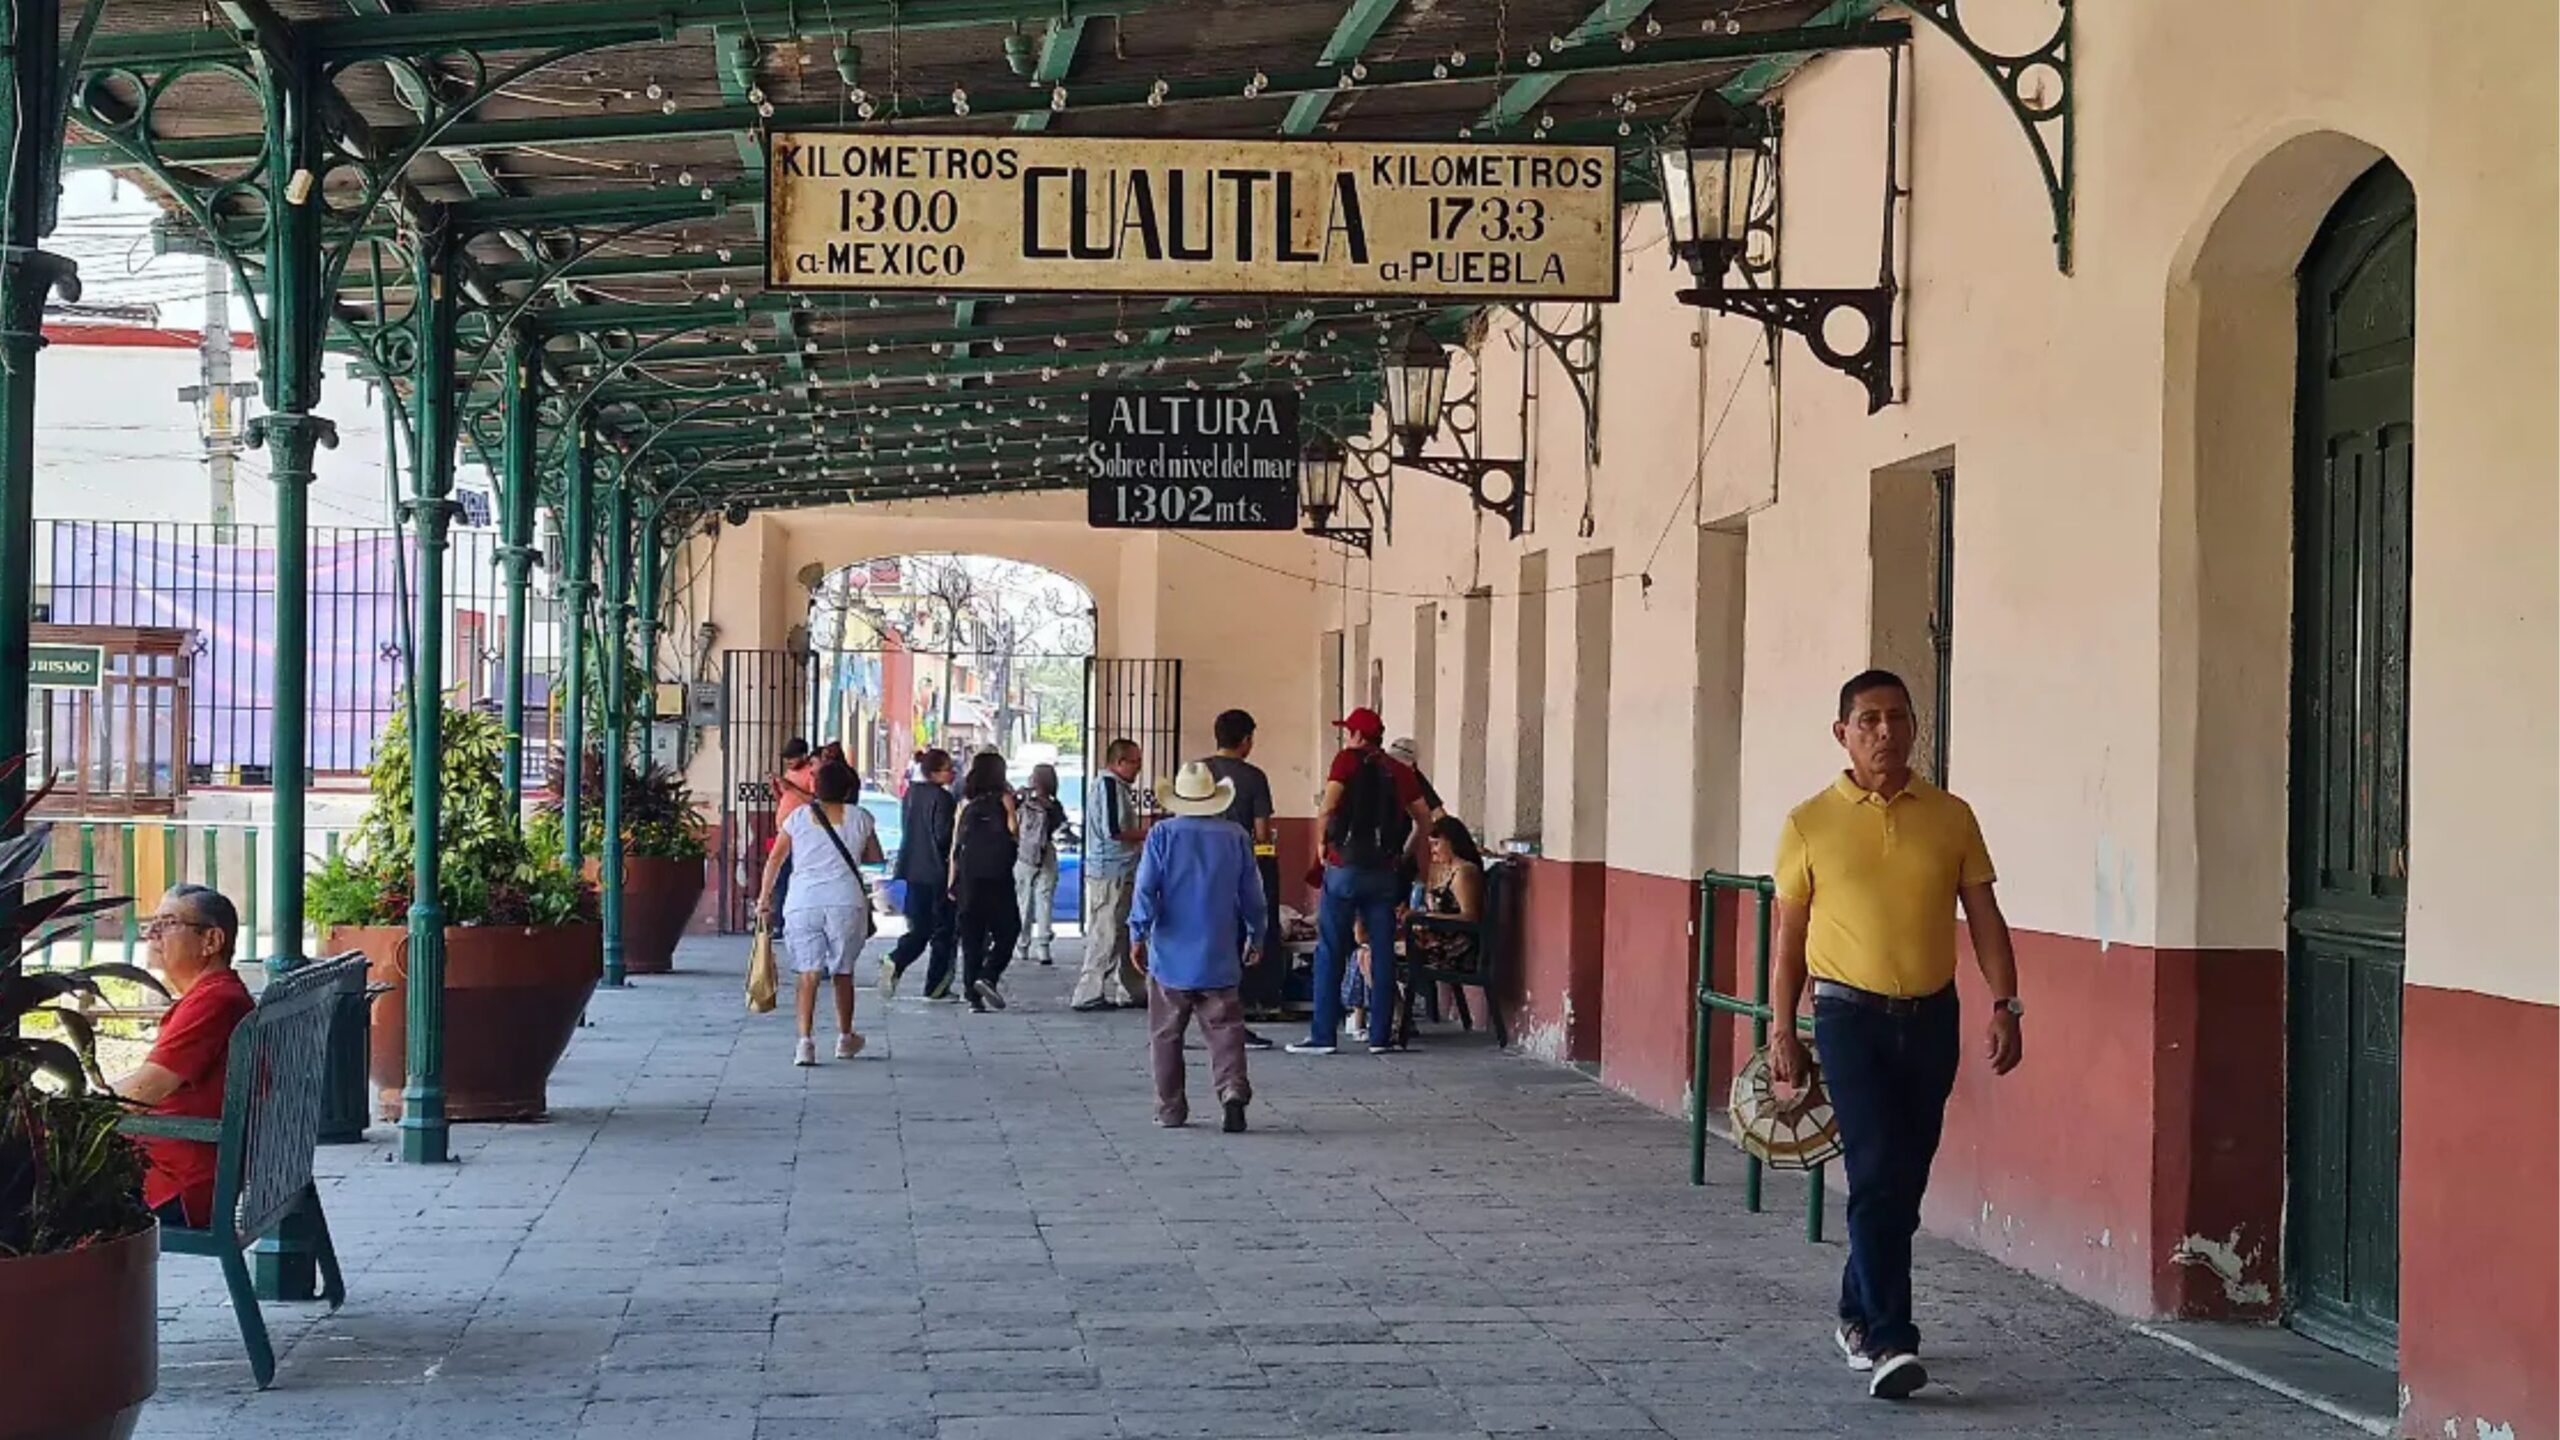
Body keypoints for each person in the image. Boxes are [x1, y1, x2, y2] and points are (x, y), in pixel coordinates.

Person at [1767, 669, 2024, 1401]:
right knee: (1877, 1171)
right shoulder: (1808, 822)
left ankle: (1855, 1308)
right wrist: (1784, 1027)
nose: (1886, 732)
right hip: (1848, 1017)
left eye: (1899, 718)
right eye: (1870, 719)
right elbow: (1790, 941)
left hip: (1931, 1018)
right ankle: (1890, 1340)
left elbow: (1985, 919)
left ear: (1915, 728)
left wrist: (2006, 1004)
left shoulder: (1951, 816)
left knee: (1902, 1182)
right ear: (1842, 732)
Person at [1129, 761, 1269, 1132]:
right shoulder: (1236, 835)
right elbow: (1252, 894)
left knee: (1165, 1034)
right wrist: (1258, 934)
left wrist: (1137, 933)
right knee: (1226, 1029)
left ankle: (1170, 1109)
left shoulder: (1161, 835)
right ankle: (1232, 1090)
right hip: (1219, 951)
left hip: (1170, 954)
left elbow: (1145, 889)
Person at [1290, 708, 1433, 1056]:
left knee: (1330, 951)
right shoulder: (1399, 770)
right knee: (1382, 953)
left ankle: (1323, 1035)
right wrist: (1403, 853)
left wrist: (1323, 846)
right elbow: (1424, 819)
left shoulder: (1346, 762)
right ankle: (1380, 1037)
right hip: (1384, 871)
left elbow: (1329, 806)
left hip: (1345, 868)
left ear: (1355, 734)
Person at [113, 885, 253, 1229]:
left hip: (177, 1186)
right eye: (152, 923)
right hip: (194, 1165)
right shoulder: (218, 995)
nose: (151, 934)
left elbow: (143, 1091)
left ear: (211, 941)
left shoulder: (214, 1002)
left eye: (168, 922)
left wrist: (61, 1113)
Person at [757, 758, 884, 1066]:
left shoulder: (798, 817)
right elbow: (875, 857)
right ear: (848, 789)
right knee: (842, 972)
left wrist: (764, 898)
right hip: (845, 902)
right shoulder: (861, 817)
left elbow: (775, 860)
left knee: (808, 973)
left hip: (804, 902)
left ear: (816, 786)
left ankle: (805, 1043)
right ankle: (844, 1037)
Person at [1200, 709, 1280, 1051]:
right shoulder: (1254, 777)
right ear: (1246, 740)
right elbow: (1261, 832)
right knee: (1239, 944)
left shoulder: (1198, 771)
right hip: (1237, 866)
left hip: (1198, 867)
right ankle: (1235, 1020)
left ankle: (1200, 1018)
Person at [1073, 737, 1148, 1012]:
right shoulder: (1107, 786)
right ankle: (1088, 991)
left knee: (1125, 931)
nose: (1139, 767)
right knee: (1106, 932)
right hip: (1110, 870)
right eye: (1135, 761)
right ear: (1119, 762)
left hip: (1122, 867)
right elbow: (1113, 830)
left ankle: (1131, 989)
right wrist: (1150, 833)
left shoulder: (1118, 787)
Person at [882, 748, 960, 1000]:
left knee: (920, 926)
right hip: (937, 871)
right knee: (944, 930)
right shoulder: (943, 798)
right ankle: (936, 985)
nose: (953, 772)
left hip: (912, 869)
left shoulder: (911, 794)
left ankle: (897, 959)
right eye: (948, 768)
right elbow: (942, 836)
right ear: (935, 773)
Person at [949, 750, 1022, 1013]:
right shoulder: (1004, 799)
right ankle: (988, 975)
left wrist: (952, 882)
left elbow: (955, 847)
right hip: (998, 878)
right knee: (1009, 930)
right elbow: (1014, 830)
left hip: (969, 879)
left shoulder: (965, 804)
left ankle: (972, 995)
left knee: (972, 937)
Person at [1012, 763, 1071, 967]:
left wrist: (1019, 796)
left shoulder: (1024, 802)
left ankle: (1022, 944)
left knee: (1023, 901)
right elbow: (1062, 828)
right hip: (1046, 853)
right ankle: (1043, 947)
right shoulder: (1054, 805)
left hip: (1024, 855)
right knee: (1044, 901)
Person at [769, 738, 815, 931]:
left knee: (788, 877)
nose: (788, 763)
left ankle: (785, 923)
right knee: (781, 876)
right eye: (786, 760)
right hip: (784, 831)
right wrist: (776, 788)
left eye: (792, 759)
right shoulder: (791, 773)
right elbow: (785, 798)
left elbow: (815, 801)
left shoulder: (811, 773)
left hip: (801, 834)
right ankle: (780, 921)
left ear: (804, 756)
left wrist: (791, 788)